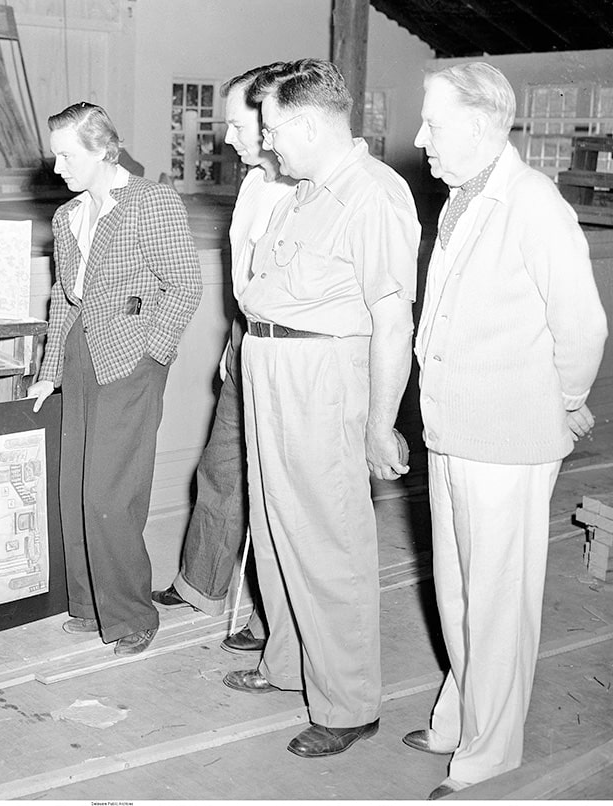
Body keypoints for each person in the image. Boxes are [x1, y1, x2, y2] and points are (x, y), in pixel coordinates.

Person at [405, 62, 607, 799]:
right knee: (458, 592)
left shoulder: (533, 203)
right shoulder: (461, 199)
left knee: (496, 600)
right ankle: (461, 717)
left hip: (509, 437)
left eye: (433, 121)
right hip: (454, 429)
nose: (420, 136)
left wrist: (564, 402)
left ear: (484, 123)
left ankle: (492, 751)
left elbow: (582, 326)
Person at [226, 59, 420, 759]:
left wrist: (378, 421)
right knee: (276, 522)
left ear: (307, 123)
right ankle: (288, 665)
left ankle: (348, 703)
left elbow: (391, 321)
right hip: (269, 362)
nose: (268, 143)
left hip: (321, 372)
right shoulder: (307, 190)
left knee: (329, 539)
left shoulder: (372, 196)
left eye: (274, 128)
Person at [28, 102, 202, 656]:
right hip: (80, 353)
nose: (57, 169)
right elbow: (63, 297)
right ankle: (89, 604)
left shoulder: (152, 202)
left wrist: (153, 353)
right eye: (54, 156)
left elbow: (185, 284)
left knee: (111, 492)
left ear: (105, 149)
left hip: (130, 357)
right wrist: (48, 370)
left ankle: (130, 615)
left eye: (66, 155)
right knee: (75, 483)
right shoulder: (68, 216)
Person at [151, 64, 296, 655]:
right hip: (246, 341)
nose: (227, 139)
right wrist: (232, 347)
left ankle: (271, 614)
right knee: (220, 468)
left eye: (237, 126)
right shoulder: (256, 185)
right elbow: (244, 280)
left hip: (287, 351)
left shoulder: (300, 189)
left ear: (271, 123)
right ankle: (202, 584)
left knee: (276, 490)